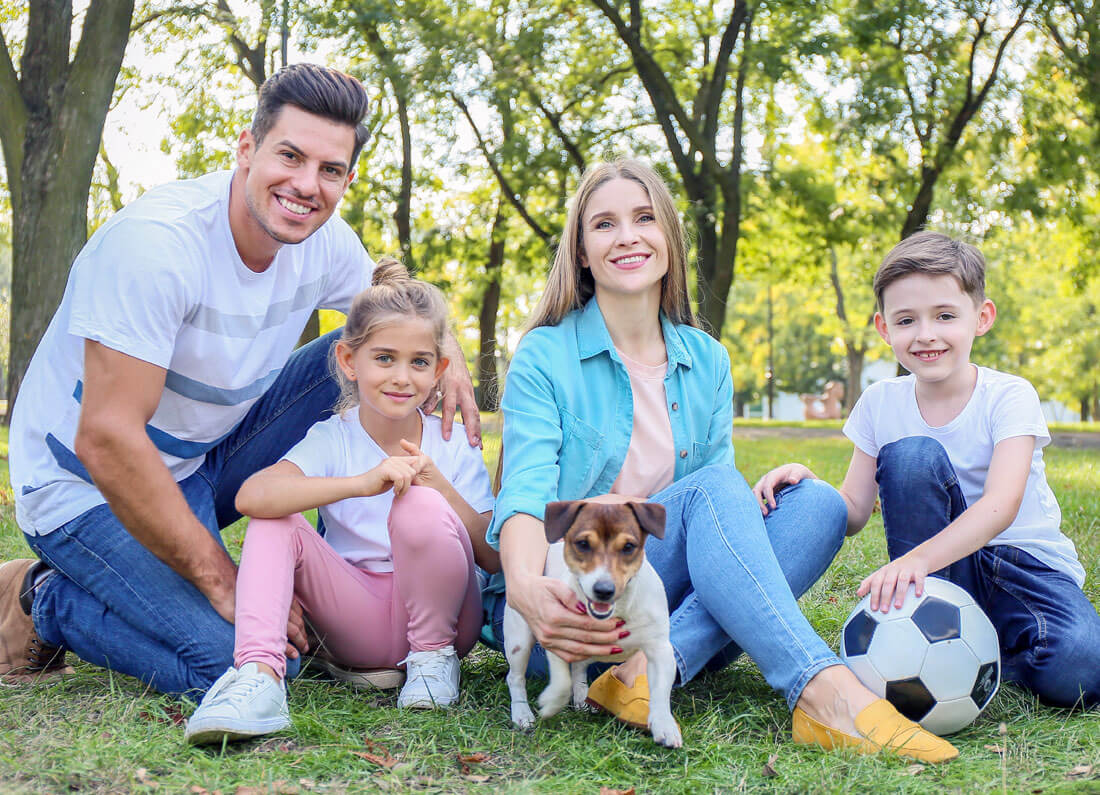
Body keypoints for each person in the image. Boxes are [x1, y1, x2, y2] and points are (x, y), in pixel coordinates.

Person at [0, 63, 480, 696]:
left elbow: (390, 300)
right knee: (241, 660)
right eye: (290, 156)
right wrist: (223, 579)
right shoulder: (155, 248)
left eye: (330, 170)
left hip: (207, 454)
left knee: (368, 342)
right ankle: (47, 596)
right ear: (247, 149)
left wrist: (447, 350)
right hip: (86, 488)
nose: (307, 185)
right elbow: (108, 441)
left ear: (346, 178)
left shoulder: (323, 239)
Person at [484, 160, 958, 762]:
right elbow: (524, 495)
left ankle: (647, 672)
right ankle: (822, 689)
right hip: (576, 602)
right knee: (715, 487)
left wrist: (755, 495)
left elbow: (711, 512)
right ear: (581, 251)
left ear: (670, 240)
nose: (627, 235)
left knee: (816, 504)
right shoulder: (545, 355)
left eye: (645, 218)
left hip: (656, 590)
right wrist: (527, 589)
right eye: (604, 224)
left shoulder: (706, 359)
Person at [755, 231, 1100, 709]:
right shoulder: (880, 402)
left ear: (981, 318)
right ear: (883, 328)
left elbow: (1001, 506)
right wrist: (806, 479)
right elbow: (854, 510)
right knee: (913, 454)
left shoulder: (1009, 395)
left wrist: (913, 561)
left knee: (1081, 671)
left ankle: (989, 654)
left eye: (944, 316)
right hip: (939, 576)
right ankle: (934, 633)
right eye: (906, 320)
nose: (926, 334)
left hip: (1023, 566)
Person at [184, 260, 496, 744]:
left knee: (418, 502)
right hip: (359, 620)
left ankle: (431, 667)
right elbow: (252, 496)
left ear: (439, 370)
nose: (401, 377)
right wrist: (361, 482)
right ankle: (258, 677)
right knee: (275, 518)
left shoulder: (453, 442)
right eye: (384, 358)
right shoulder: (333, 437)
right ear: (350, 361)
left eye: (418, 362)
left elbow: (494, 557)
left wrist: (440, 489)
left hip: (449, 623)